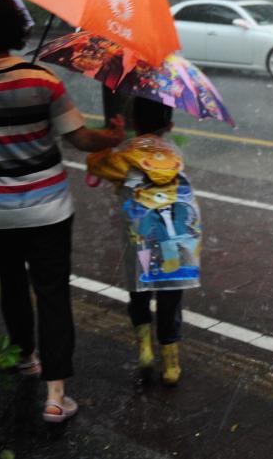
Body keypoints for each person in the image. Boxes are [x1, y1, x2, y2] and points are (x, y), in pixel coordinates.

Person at [0, 0, 126, 424]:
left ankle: (25, 357)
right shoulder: (42, 79)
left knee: (11, 283)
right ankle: (56, 395)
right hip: (48, 208)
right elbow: (80, 139)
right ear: (13, 26)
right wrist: (112, 135)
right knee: (53, 293)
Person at [86, 98, 202, 387]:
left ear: (135, 122)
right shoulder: (175, 153)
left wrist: (111, 137)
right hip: (176, 235)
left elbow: (94, 164)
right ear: (170, 124)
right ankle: (171, 362)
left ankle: (145, 348)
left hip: (142, 236)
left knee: (139, 291)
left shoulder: (125, 153)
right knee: (170, 294)